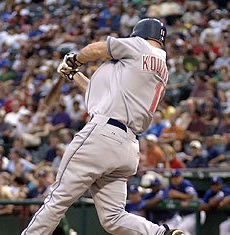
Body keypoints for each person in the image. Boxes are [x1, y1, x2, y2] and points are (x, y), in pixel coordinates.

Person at [22, 18, 183, 235]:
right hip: (126, 146)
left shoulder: (139, 45)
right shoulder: (160, 67)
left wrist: (74, 59)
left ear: (139, 34)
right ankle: (161, 234)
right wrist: (73, 74)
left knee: (56, 199)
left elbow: (98, 48)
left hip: (102, 135)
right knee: (114, 217)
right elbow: (102, 96)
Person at [168, 169, 198, 235]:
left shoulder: (186, 184)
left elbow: (194, 197)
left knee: (181, 230)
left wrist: (178, 195)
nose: (174, 179)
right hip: (182, 215)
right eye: (173, 177)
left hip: (194, 214)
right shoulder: (172, 186)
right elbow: (169, 196)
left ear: (181, 177)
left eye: (176, 177)